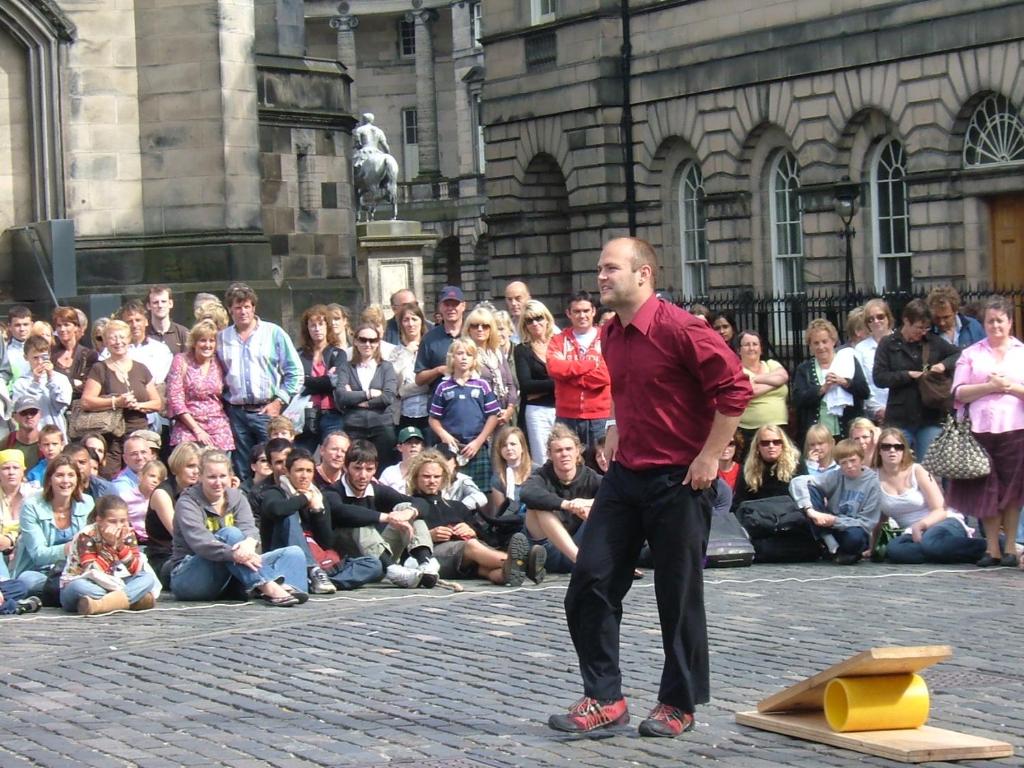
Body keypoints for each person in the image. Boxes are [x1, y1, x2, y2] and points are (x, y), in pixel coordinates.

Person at [551, 238, 752, 737]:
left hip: (679, 479)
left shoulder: (684, 330)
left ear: (644, 275)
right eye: (599, 268)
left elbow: (735, 390)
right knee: (589, 582)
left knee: (677, 594)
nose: (601, 277)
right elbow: (634, 387)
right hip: (626, 476)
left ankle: (678, 703)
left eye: (611, 268)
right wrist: (618, 422)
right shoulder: (611, 334)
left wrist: (709, 455)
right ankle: (604, 697)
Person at [169, 450, 308, 606]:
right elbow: (201, 543)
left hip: (233, 572)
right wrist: (235, 554)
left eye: (222, 476)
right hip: (191, 576)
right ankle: (268, 586)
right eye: (211, 477)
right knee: (231, 533)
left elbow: (250, 529)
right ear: (200, 477)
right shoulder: (187, 502)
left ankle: (286, 587)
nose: (218, 482)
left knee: (294, 553)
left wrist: (248, 544)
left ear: (230, 476)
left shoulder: (237, 497)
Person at [945, 296, 1024, 567]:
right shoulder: (971, 354)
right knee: (987, 490)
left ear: (1010, 322)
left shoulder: (1021, 352)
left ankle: (1012, 547)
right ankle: (992, 549)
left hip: (1015, 429)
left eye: (1000, 320)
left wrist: (1009, 387)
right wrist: (989, 387)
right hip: (979, 430)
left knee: (1012, 492)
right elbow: (959, 392)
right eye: (990, 321)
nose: (995, 326)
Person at [407, 449, 542, 585]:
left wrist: (472, 531)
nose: (432, 481)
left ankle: (509, 572)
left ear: (443, 478)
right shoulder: (410, 507)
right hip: (432, 556)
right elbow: (399, 541)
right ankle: (526, 564)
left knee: (488, 569)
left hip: (471, 557)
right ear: (416, 478)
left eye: (436, 477)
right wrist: (428, 535)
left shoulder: (457, 506)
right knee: (471, 546)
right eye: (426, 476)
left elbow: (486, 537)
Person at [218, 283, 304, 481]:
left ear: (254, 307)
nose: (243, 312)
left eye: (247, 306)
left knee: (275, 463)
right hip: (236, 412)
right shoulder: (222, 338)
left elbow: (296, 372)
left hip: (266, 410)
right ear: (230, 309)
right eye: (238, 307)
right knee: (243, 466)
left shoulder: (274, 333)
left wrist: (279, 401)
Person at [328, 440, 437, 588]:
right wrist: (387, 517)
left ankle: (426, 563)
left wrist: (406, 514)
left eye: (369, 469)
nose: (363, 475)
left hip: (380, 552)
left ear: (375, 469)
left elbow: (421, 503)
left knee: (407, 508)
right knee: (359, 521)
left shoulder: (377, 489)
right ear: (346, 467)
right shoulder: (332, 491)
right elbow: (342, 512)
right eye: (357, 468)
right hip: (353, 559)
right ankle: (393, 570)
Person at [873, 428, 987, 564]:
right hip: (912, 533)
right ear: (879, 451)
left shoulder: (918, 470)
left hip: (942, 522)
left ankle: (988, 547)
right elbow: (879, 519)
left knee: (930, 543)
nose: (892, 451)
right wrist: (872, 546)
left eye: (898, 447)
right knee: (894, 550)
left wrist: (920, 525)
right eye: (886, 447)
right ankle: (943, 552)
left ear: (904, 451)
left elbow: (941, 510)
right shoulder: (874, 478)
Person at [873, 299, 960, 460]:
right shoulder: (888, 343)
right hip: (899, 416)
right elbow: (879, 377)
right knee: (896, 464)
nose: (922, 332)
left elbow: (959, 354)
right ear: (906, 321)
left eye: (926, 327)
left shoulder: (932, 341)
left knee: (927, 467)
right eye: (919, 327)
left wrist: (943, 365)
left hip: (929, 415)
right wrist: (907, 375)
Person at [80, 319, 162, 478]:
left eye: (122, 337)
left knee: (142, 477)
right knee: (109, 476)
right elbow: (86, 401)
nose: (118, 342)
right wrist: (116, 402)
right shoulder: (100, 368)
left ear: (129, 338)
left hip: (138, 433)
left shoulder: (141, 368)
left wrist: (138, 405)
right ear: (105, 341)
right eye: (112, 338)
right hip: (112, 437)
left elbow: (157, 403)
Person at [521, 425, 601, 576]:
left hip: (582, 544)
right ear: (550, 455)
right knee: (537, 506)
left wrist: (586, 503)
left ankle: (607, 561)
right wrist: (567, 505)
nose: (564, 454)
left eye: (569, 449)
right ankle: (581, 563)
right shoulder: (541, 475)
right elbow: (526, 493)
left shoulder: (591, 476)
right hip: (547, 548)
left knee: (603, 507)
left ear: (577, 451)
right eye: (558, 450)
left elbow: (615, 495)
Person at [59, 495, 158, 614]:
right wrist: (110, 547)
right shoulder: (86, 535)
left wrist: (121, 547)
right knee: (80, 587)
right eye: (112, 521)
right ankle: (134, 600)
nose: (119, 526)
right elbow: (91, 571)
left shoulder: (127, 533)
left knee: (147, 578)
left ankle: (101, 605)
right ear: (99, 521)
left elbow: (136, 570)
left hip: (114, 582)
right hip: (84, 582)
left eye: (123, 521)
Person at [11, 455, 93, 597]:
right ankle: (75, 592)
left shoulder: (87, 503)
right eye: (60, 475)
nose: (66, 481)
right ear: (49, 479)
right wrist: (70, 548)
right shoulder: (31, 506)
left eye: (71, 475)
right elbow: (38, 555)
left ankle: (73, 591)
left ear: (77, 479)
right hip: (39, 572)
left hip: (76, 569)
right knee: (27, 581)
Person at [789, 438, 881, 564]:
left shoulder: (873, 483)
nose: (849, 466)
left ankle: (839, 551)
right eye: (844, 463)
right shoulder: (836, 475)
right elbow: (797, 482)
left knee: (855, 538)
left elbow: (867, 523)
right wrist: (811, 511)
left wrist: (836, 521)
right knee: (810, 488)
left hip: (852, 527)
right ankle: (830, 543)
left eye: (853, 460)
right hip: (828, 526)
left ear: (861, 459)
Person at [427, 338, 501, 492]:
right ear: (452, 358)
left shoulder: (482, 385)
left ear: (474, 359)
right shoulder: (443, 386)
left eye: (468, 354)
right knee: (449, 489)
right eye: (459, 353)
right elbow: (433, 418)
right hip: (450, 448)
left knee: (481, 492)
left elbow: (493, 416)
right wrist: (444, 436)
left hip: (475, 447)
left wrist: (478, 442)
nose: (464, 357)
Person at [547, 291, 611, 449]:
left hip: (600, 416)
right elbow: (554, 368)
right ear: (568, 313)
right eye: (576, 311)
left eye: (586, 311)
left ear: (594, 312)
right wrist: (589, 365)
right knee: (568, 466)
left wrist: (570, 376)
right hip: (566, 416)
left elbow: (606, 375)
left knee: (601, 465)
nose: (582, 315)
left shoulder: (608, 339)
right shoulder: (558, 340)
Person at [791, 318, 869, 445]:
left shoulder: (848, 361)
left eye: (824, 341)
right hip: (818, 436)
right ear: (810, 346)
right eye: (816, 343)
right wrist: (822, 389)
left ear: (833, 341)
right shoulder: (803, 369)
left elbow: (864, 392)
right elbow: (798, 400)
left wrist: (844, 382)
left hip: (847, 432)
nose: (821, 347)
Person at [334, 323, 398, 470]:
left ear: (378, 342)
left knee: (384, 469)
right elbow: (341, 396)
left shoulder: (386, 367)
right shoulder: (346, 367)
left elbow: (388, 397)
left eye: (372, 340)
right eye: (363, 340)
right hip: (353, 427)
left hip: (382, 426)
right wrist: (369, 394)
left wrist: (358, 401)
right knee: (354, 468)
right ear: (355, 341)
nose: (367, 344)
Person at [164, 320, 235, 451]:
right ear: (194, 342)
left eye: (211, 341)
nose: (207, 345)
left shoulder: (219, 363)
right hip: (187, 426)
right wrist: (197, 430)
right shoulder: (181, 360)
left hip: (218, 426)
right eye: (203, 340)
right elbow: (175, 398)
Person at [146, 441, 201, 584]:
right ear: (177, 467)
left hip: (196, 552)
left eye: (199, 467)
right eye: (190, 466)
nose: (196, 471)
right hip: (166, 559)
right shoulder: (162, 494)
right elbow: (179, 533)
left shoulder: (198, 491)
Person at [296, 305, 346, 451]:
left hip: (332, 413)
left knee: (334, 454)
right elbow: (295, 381)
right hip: (304, 413)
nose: (317, 329)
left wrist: (307, 380)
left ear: (327, 326)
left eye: (321, 324)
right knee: (301, 456)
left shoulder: (338, 354)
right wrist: (324, 380)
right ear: (307, 329)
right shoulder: (299, 354)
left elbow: (334, 381)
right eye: (312, 325)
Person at [515, 299, 557, 463]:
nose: (535, 323)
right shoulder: (522, 349)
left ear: (547, 318)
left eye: (538, 318)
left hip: (563, 409)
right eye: (529, 320)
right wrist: (559, 382)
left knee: (564, 456)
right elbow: (526, 386)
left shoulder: (559, 343)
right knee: (542, 461)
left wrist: (541, 388)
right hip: (537, 412)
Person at [464, 305, 519, 429]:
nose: (480, 329)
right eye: (475, 325)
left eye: (485, 326)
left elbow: (510, 384)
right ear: (468, 329)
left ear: (491, 329)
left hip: (503, 415)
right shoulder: (465, 352)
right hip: (479, 417)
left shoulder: (497, 351)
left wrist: (509, 409)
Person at [736, 329, 789, 446]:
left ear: (761, 349)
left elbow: (783, 376)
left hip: (779, 428)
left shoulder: (771, 364)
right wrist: (774, 383)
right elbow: (749, 391)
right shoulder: (737, 371)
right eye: (747, 345)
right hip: (750, 431)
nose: (751, 348)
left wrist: (755, 379)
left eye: (755, 344)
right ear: (739, 350)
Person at [11, 335, 72, 437]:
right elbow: (22, 410)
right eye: (35, 358)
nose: (40, 362)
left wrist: (51, 378)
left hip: (55, 435)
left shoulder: (61, 379)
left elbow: (61, 404)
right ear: (26, 357)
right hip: (31, 436)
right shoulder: (20, 383)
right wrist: (35, 383)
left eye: (43, 357)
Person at [415, 285, 467, 403]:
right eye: (446, 304)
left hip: (471, 405)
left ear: (463, 306)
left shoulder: (472, 334)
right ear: (440, 307)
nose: (451, 308)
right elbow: (419, 379)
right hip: (441, 406)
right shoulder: (430, 338)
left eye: (455, 304)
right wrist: (438, 370)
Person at [733, 424, 805, 506]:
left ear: (783, 444)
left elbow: (805, 495)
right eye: (765, 443)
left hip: (789, 513)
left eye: (776, 442)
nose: (771, 446)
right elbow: (739, 501)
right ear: (757, 447)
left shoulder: (796, 463)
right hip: (759, 514)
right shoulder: (748, 468)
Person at [392, 303, 431, 434]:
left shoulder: (430, 348)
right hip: (402, 415)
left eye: (414, 319)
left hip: (428, 413)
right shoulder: (396, 352)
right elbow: (391, 379)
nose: (410, 324)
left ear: (421, 321)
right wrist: (407, 353)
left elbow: (428, 383)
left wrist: (402, 392)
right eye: (406, 320)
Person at [855, 298, 894, 423]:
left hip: (900, 410)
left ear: (888, 318)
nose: (876, 321)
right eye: (870, 319)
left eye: (880, 316)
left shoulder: (901, 342)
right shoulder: (861, 349)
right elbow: (863, 382)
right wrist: (877, 409)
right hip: (873, 415)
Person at [51, 306, 98, 402]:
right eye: (59, 326)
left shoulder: (89, 355)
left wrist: (61, 386)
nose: (62, 329)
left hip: (79, 409)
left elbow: (87, 387)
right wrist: (73, 382)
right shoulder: (50, 353)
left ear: (76, 327)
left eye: (66, 325)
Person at [0, 449, 33, 579]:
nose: (11, 472)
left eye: (15, 467)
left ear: (23, 470)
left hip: (24, 551)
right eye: (6, 468)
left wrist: (11, 541)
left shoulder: (34, 496)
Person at [378, 426, 425, 493]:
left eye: (417, 443)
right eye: (409, 442)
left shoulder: (428, 471)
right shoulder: (389, 472)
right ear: (399, 447)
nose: (413, 445)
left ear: (422, 447)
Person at [146, 285, 190, 355]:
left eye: (163, 301)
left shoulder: (183, 333)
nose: (160, 305)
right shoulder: (144, 333)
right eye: (155, 302)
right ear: (148, 306)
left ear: (170, 303)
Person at [6, 396, 43, 468]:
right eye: (24, 413)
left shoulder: (50, 442)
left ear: (40, 415)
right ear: (14, 416)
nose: (29, 416)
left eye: (33, 412)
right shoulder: (7, 443)